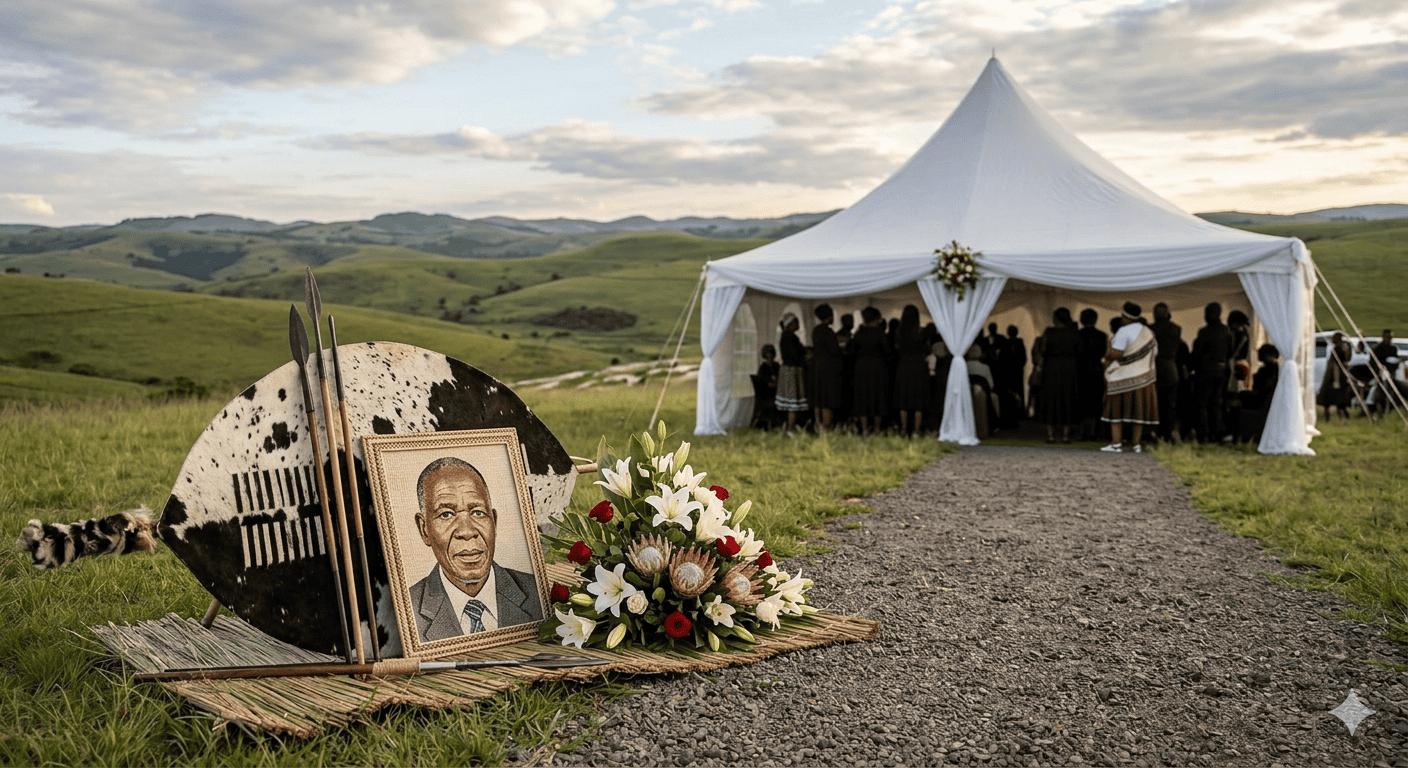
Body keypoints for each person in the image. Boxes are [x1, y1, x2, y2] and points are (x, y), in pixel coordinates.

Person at [410, 457, 542, 643]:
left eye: (478, 512)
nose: (467, 531)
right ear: (424, 530)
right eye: (446, 514)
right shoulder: (407, 611)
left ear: (494, 522)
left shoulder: (539, 594)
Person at [1100, 302, 1159, 453]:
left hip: (1122, 379)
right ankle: (1136, 444)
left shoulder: (1123, 331)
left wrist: (1108, 349)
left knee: (1116, 414)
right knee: (1137, 415)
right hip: (1143, 378)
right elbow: (1155, 352)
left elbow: (1116, 354)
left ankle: (1116, 444)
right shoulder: (1148, 331)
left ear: (1124, 316)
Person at [1190, 302, 1234, 443]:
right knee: (1216, 403)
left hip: (1205, 371)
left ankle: (1204, 434)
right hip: (1221, 371)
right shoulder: (1227, 331)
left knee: (1202, 404)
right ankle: (1217, 434)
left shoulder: (1204, 332)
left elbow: (1197, 353)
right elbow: (1230, 352)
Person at [1037, 308, 1081, 443]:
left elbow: (1043, 350)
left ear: (1056, 318)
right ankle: (1065, 435)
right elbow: (1079, 351)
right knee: (1067, 399)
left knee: (1050, 399)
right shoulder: (1074, 333)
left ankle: (1050, 435)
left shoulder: (1049, 332)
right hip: (1069, 368)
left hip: (1052, 367)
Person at [892, 305, 929, 437]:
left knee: (903, 398)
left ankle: (903, 429)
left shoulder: (899, 331)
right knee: (918, 399)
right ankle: (917, 430)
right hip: (919, 366)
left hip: (903, 365)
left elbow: (897, 348)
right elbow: (927, 349)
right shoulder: (921, 331)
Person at [851, 306, 889, 436]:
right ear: (877, 318)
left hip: (861, 367)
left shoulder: (859, 333)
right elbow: (888, 351)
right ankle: (877, 429)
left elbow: (851, 350)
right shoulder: (879, 333)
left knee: (862, 397)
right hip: (878, 367)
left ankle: (865, 429)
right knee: (878, 397)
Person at [1150, 303, 1183, 443]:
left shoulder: (1151, 329)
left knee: (1155, 403)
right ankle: (1168, 432)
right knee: (1170, 404)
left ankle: (1157, 432)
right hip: (1171, 368)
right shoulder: (1176, 329)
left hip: (1155, 367)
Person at [810, 304, 843, 434]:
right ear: (829, 316)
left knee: (818, 397)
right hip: (828, 368)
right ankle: (826, 425)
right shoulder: (828, 332)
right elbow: (834, 350)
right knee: (827, 398)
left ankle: (818, 423)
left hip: (817, 366)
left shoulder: (816, 330)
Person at [775, 313, 809, 436]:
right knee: (792, 403)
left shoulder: (785, 336)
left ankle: (789, 426)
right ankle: (790, 428)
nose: (798, 325)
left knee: (791, 402)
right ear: (791, 324)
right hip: (791, 371)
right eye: (796, 322)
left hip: (787, 370)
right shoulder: (790, 337)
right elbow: (795, 355)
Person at [1076, 309, 1108, 440]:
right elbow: (1103, 353)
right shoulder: (1102, 335)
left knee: (1081, 401)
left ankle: (1082, 432)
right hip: (1096, 369)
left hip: (1081, 369)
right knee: (1096, 401)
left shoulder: (1078, 334)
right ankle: (1095, 432)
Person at [1317, 331, 1354, 421]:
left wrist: (1336, 380)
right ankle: (1332, 414)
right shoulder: (1337, 348)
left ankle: (1339, 414)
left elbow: (1340, 362)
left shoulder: (1340, 348)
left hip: (1336, 374)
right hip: (1334, 373)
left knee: (1337, 394)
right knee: (1332, 395)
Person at [999, 324, 1027, 428]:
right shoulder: (1020, 343)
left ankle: (1010, 415)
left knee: (1009, 393)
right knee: (1019, 392)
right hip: (1017, 372)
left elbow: (1002, 359)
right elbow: (1024, 359)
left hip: (1008, 372)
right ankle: (1019, 413)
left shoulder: (1005, 343)